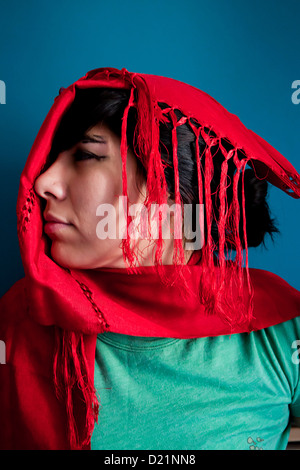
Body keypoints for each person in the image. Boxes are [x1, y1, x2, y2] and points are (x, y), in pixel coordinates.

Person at [0, 67, 300, 450]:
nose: (43, 182)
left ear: (173, 189)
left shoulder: (281, 334)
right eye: (52, 158)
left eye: (86, 155)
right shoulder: (20, 321)